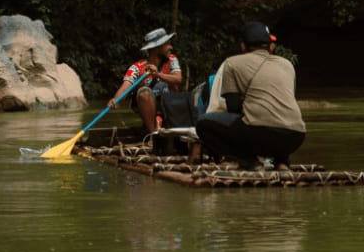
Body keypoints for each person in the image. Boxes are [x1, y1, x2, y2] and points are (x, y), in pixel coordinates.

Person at [196, 20, 306, 169]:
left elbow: (233, 106)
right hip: (296, 137)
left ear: (243, 46)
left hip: (259, 134)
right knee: (276, 119)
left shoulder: (232, 63)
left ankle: (249, 161)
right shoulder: (287, 64)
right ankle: (281, 162)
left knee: (203, 124)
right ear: (270, 46)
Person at [114, 27, 183, 134]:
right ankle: (153, 134)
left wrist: (157, 74)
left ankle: (168, 124)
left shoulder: (172, 59)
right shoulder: (137, 67)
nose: (171, 47)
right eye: (167, 44)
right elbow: (125, 87)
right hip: (149, 108)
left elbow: (178, 79)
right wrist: (115, 100)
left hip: (169, 107)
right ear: (157, 48)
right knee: (144, 93)